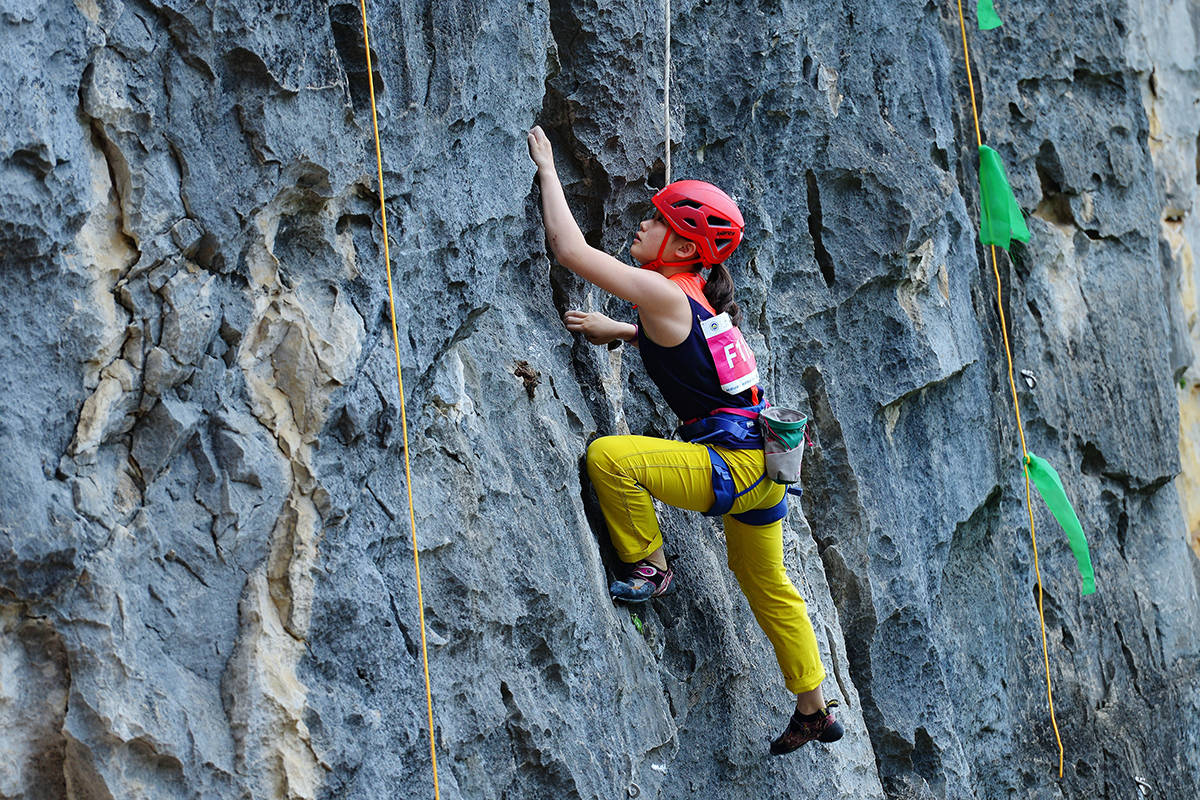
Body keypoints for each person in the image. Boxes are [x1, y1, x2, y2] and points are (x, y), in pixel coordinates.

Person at [527, 125, 842, 754]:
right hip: (766, 469)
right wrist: (616, 331)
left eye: (656, 219)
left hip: (731, 466)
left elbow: (569, 249)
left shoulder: (664, 292)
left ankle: (650, 564)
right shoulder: (700, 303)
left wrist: (545, 167)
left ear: (683, 244)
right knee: (768, 586)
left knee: (611, 458)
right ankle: (814, 709)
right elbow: (690, 360)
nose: (642, 225)